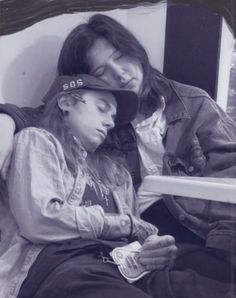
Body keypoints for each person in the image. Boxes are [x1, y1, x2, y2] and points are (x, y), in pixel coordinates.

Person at [0, 13, 236, 296]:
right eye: (100, 74)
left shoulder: (190, 105)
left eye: (121, 55)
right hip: (82, 258)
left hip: (183, 235)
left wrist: (153, 243)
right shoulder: (47, 141)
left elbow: (229, 168)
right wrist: (7, 116)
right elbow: (46, 121)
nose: (121, 74)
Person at [0, 73, 179, 298]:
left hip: (125, 267)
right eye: (102, 108)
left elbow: (136, 231)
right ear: (66, 103)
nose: (110, 122)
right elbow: (40, 221)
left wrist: (154, 247)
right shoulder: (39, 141)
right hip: (63, 265)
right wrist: (124, 224)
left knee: (204, 283)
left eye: (113, 117)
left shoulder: (117, 174)